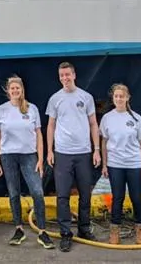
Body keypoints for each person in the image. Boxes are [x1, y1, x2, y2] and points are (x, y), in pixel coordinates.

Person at [0, 76, 54, 249]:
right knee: (13, 193)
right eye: (12, 88)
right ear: (8, 90)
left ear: (22, 89)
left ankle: (42, 231)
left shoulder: (31, 109)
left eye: (17, 88)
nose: (15, 91)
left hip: (29, 155)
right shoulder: (1, 110)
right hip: (8, 156)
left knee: (37, 191)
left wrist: (40, 159)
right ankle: (18, 229)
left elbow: (39, 135)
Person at [46, 61, 100, 252]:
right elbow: (50, 126)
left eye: (68, 75)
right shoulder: (55, 99)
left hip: (84, 152)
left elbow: (94, 124)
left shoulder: (86, 97)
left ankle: (84, 228)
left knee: (85, 193)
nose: (65, 78)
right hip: (63, 153)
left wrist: (96, 149)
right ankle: (65, 233)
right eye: (62, 75)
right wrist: (49, 151)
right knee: (63, 196)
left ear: (74, 75)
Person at [100, 84, 141, 245]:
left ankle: (140, 231)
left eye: (122, 96)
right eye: (116, 96)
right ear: (113, 98)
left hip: (134, 164)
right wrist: (105, 165)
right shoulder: (107, 118)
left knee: (136, 198)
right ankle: (115, 232)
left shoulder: (136, 118)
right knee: (118, 198)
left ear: (127, 98)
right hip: (115, 164)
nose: (119, 99)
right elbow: (104, 142)